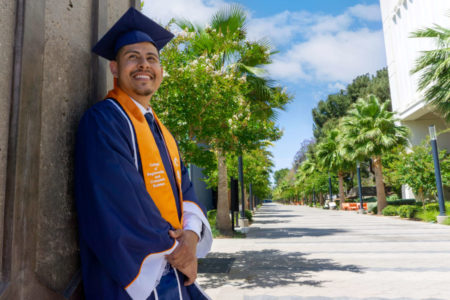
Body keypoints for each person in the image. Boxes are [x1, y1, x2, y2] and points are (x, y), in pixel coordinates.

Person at [75, 7, 212, 300]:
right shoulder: (104, 120)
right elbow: (120, 198)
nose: (143, 65)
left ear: (160, 70)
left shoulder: (162, 132)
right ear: (114, 68)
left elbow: (184, 189)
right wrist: (177, 250)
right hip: (131, 278)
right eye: (132, 57)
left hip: (174, 273)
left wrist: (190, 235)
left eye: (151, 58)